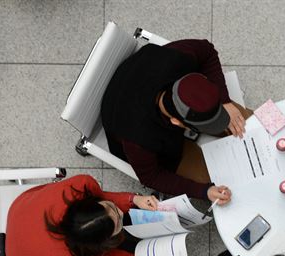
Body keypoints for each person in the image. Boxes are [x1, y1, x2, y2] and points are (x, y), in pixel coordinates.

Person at [101, 38, 251, 203]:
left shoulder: (176, 59)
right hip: (161, 148)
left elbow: (207, 51)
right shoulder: (138, 139)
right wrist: (204, 191)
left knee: (250, 123)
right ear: (177, 122)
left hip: (147, 79)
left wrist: (224, 101)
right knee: (224, 179)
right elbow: (151, 177)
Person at [5, 174, 169, 256]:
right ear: (101, 244)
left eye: (111, 206)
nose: (120, 212)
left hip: (22, 212)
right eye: (118, 222)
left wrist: (133, 199)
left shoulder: (80, 186)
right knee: (126, 254)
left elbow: (103, 196)